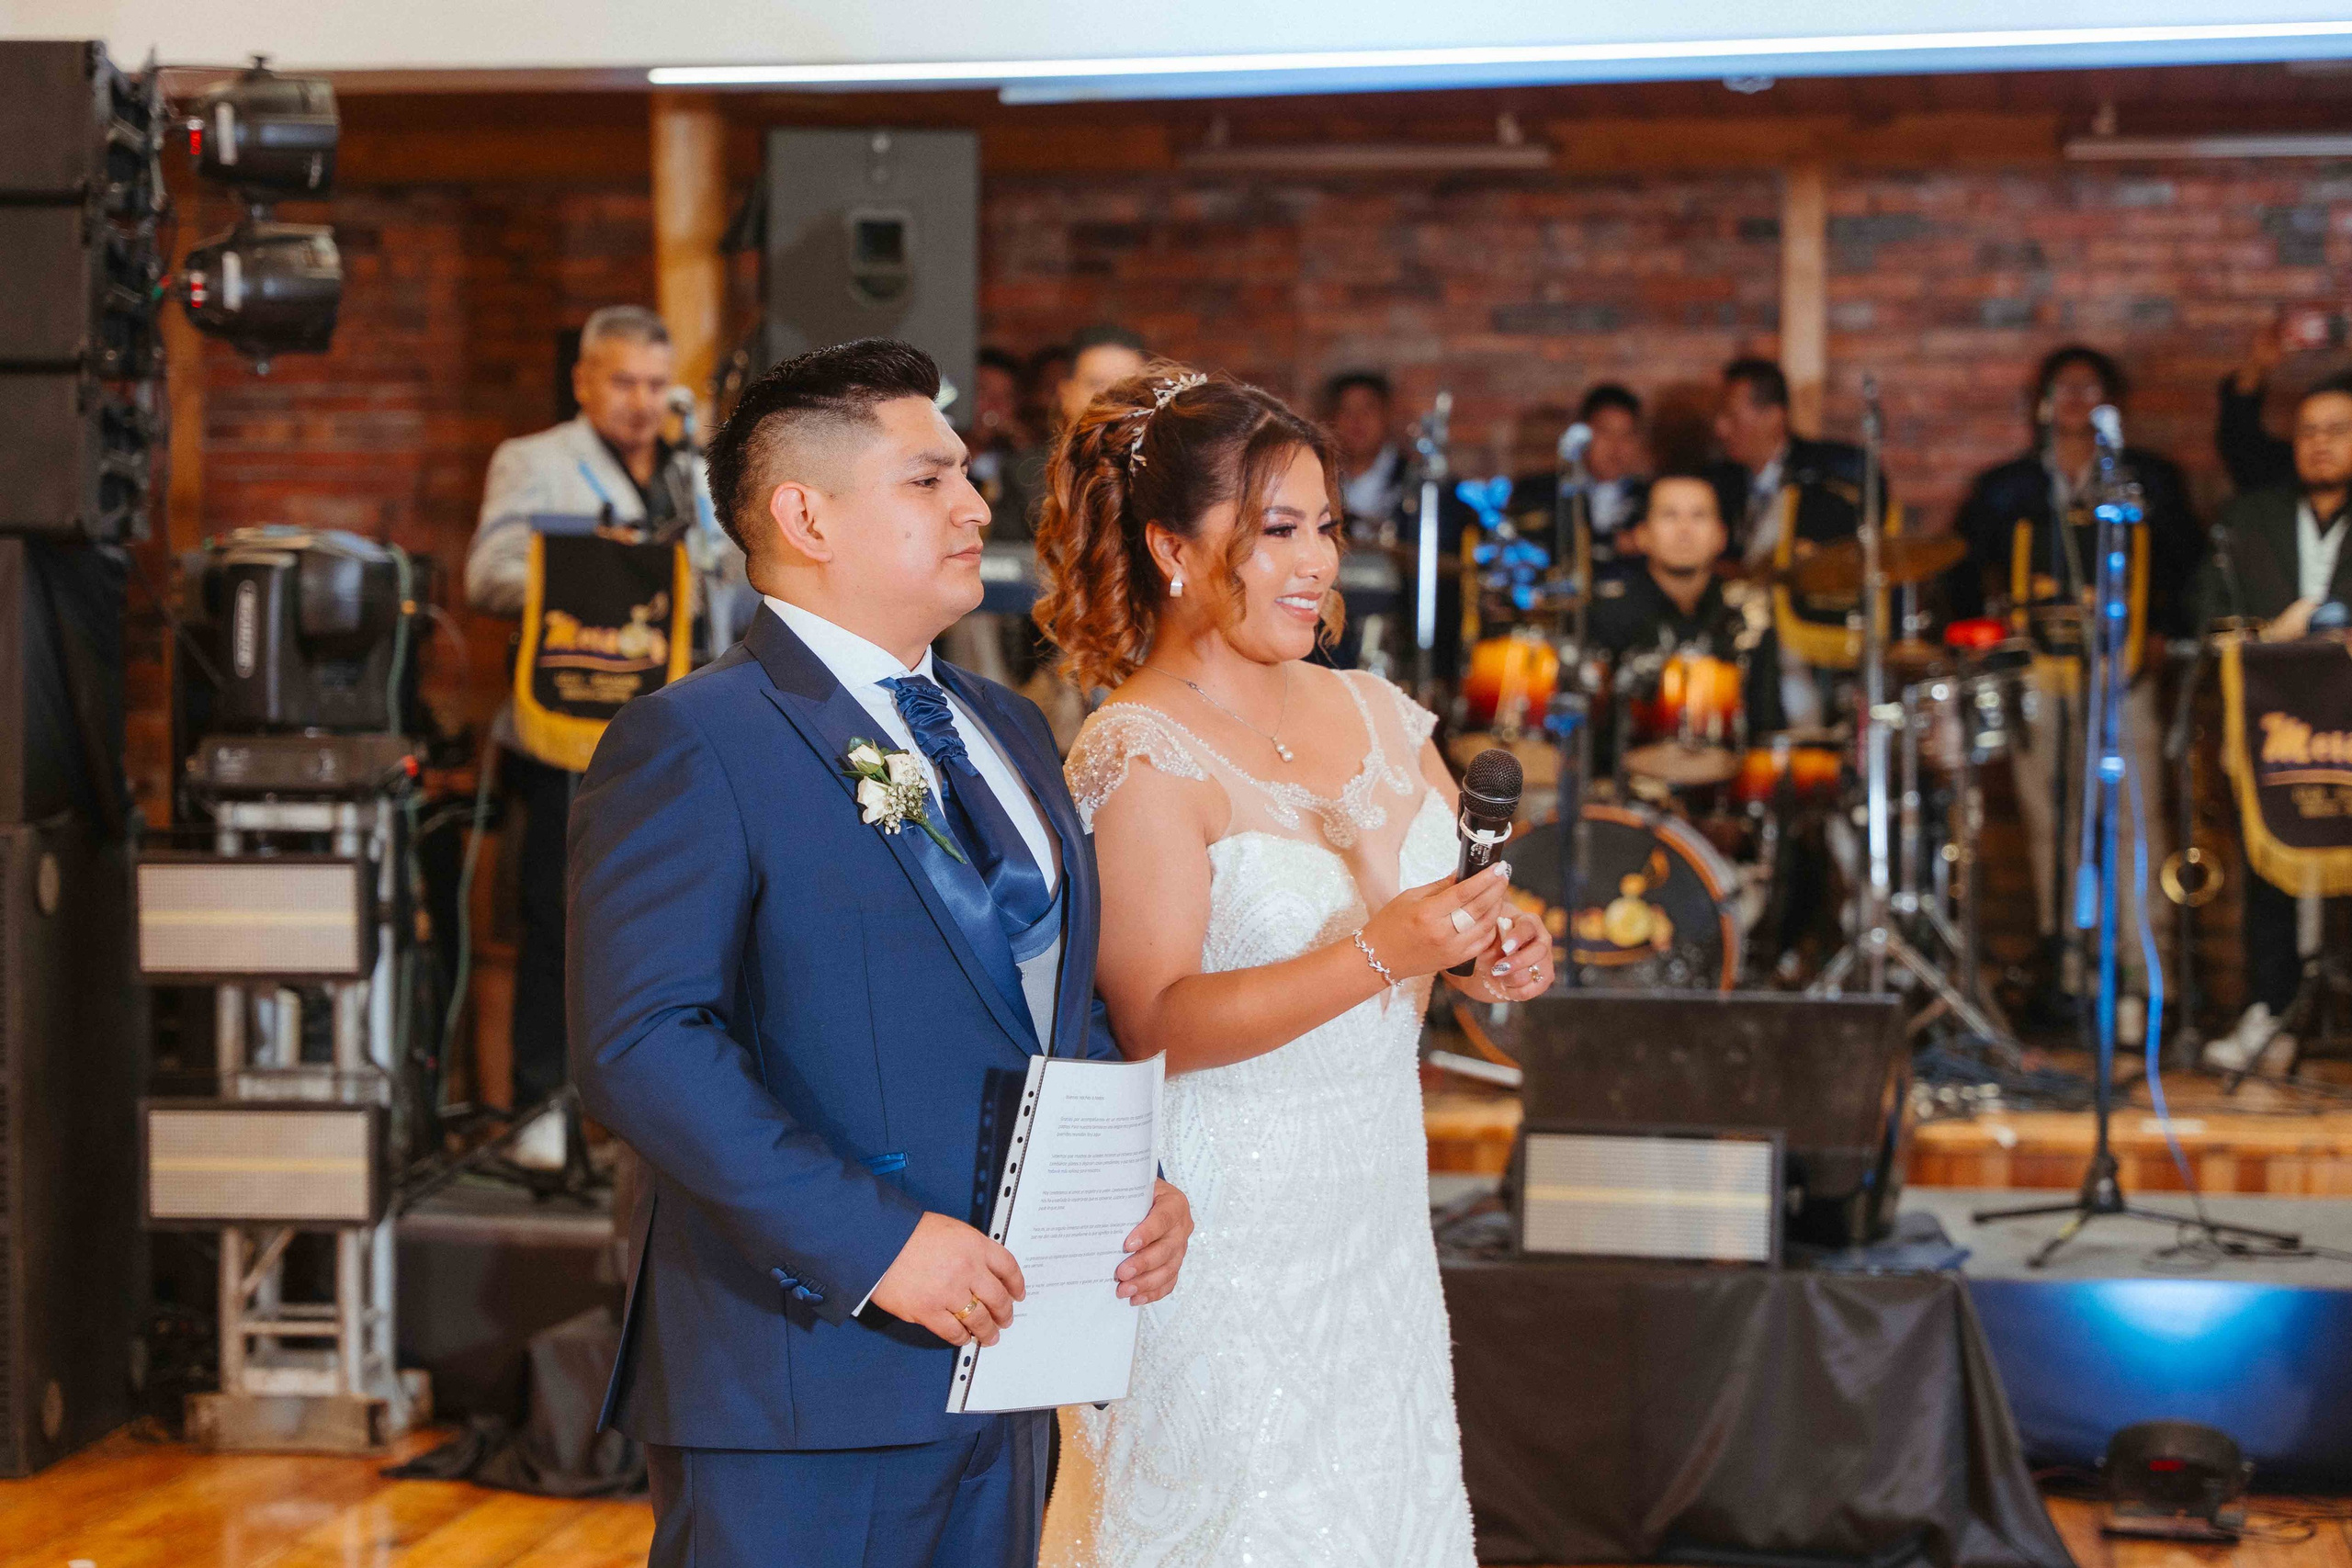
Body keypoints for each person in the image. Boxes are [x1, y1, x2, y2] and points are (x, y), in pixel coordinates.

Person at [567, 337, 1193, 1568]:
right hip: (801, 1367)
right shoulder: (695, 738)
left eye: (964, 473)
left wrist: (1133, 1179)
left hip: (1009, 1358)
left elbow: (1049, 995)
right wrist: (877, 1245)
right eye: (927, 478)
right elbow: (642, 1046)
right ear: (806, 516)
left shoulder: (1008, 724)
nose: (975, 506)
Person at [1035, 364, 1551, 1565]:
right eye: (1277, 530)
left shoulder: (1375, 707)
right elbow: (1153, 1020)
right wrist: (1381, 952)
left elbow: (1449, 913)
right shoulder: (1138, 751)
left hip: (1372, 1217)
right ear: (1172, 547)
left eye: (1325, 526)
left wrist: (1493, 948)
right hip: (1221, 1235)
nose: (1317, 560)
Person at [464, 304, 741, 1169]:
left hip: (680, 728)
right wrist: (597, 567)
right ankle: (542, 1105)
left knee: (679, 923)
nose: (641, 401)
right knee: (561, 917)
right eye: (623, 381)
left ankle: (660, 1119)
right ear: (583, 381)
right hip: (572, 728)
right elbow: (488, 574)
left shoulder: (694, 472)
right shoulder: (536, 460)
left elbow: (734, 583)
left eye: (656, 384)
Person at [1948, 345, 2201, 1029]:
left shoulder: (2147, 478)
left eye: (2090, 387)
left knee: (2134, 819)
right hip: (2040, 673)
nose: (2075, 399)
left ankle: (2148, 978)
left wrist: (2163, 631)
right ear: (2041, 401)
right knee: (2051, 823)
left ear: (2112, 399)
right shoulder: (2009, 485)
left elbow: (2186, 562)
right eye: (2063, 387)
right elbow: (1963, 566)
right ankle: (2073, 972)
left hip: (2123, 673)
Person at [2195, 370, 2352, 1071]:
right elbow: (2206, 606)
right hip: (2276, 725)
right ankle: (2272, 1008)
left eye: (2338, 430)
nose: (2321, 444)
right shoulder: (2250, 516)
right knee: (2270, 863)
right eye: (2309, 431)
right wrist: (2269, 631)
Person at [1707, 356, 1883, 728]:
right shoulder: (1719, 483)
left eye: (1731, 416)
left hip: (1807, 640)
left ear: (1773, 417)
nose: (1720, 429)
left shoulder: (1829, 475)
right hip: (1735, 640)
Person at [1588, 471, 1784, 742]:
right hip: (1631, 765)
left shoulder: (1749, 615)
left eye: (1698, 516)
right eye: (1670, 515)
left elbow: (1766, 728)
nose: (1684, 530)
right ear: (1642, 535)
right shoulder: (1605, 615)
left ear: (1720, 536)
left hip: (1727, 765)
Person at [1324, 368, 1409, 530]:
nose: (1356, 420)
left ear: (1387, 415)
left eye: (1367, 409)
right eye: (1346, 410)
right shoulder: (1318, 479)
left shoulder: (1413, 482)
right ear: (1331, 419)